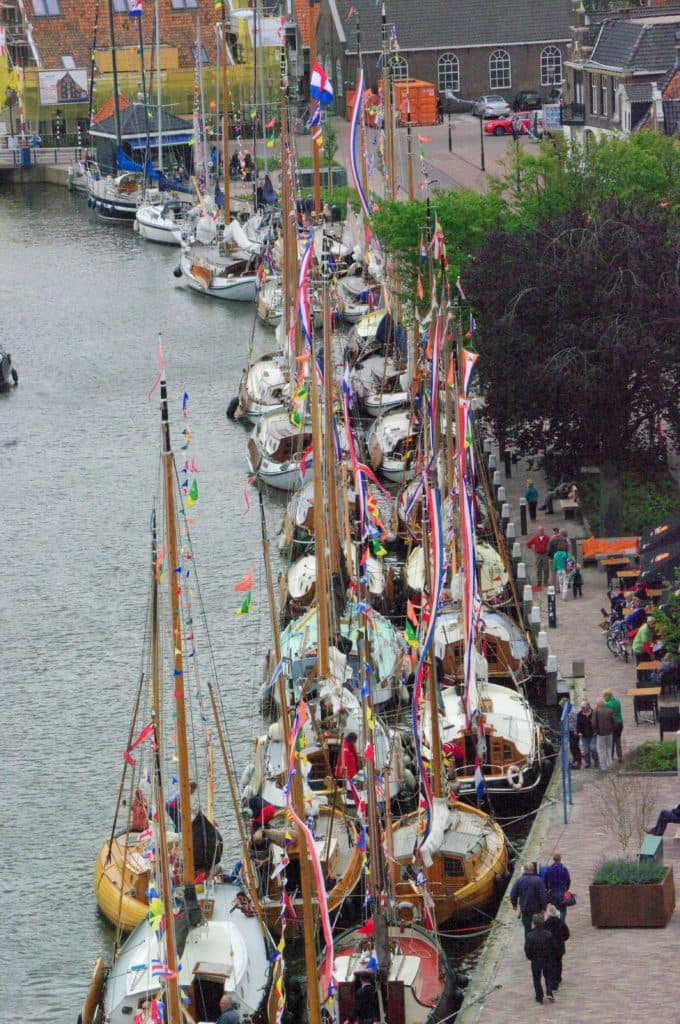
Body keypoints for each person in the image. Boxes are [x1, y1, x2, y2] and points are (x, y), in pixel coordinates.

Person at [524, 913, 556, 1004]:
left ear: (534, 923)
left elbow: (527, 949)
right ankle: (549, 992)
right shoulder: (548, 934)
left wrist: (530, 957)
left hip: (536, 960)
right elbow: (553, 946)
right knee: (548, 976)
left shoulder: (530, 936)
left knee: (536, 978)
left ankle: (539, 996)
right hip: (547, 958)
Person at [510, 862, 548, 937]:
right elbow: (543, 895)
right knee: (539, 927)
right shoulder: (539, 880)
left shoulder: (520, 880)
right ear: (533, 869)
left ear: (524, 870)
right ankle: (539, 943)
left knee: (527, 929)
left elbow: (513, 894)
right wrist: (544, 907)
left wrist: (514, 904)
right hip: (537, 909)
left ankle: (528, 944)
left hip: (525, 908)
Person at [544, 903, 569, 991]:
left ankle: (554, 982)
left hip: (550, 947)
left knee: (551, 964)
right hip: (559, 946)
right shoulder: (561, 923)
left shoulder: (545, 924)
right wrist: (562, 939)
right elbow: (566, 934)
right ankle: (558, 977)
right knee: (559, 962)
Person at [544, 852, 571, 922]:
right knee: (563, 910)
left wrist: (547, 889)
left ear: (553, 859)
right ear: (560, 859)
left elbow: (545, 880)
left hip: (553, 891)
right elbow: (568, 880)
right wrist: (566, 889)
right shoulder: (564, 869)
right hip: (562, 891)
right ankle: (561, 925)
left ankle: (556, 925)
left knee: (555, 909)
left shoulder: (549, 869)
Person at [593, 698, 615, 771]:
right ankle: (610, 764)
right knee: (609, 748)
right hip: (609, 733)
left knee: (601, 750)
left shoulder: (596, 711)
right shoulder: (610, 711)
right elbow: (614, 722)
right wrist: (612, 729)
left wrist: (595, 731)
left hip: (601, 734)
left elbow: (594, 723)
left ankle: (604, 767)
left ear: (597, 705)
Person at [603, 688, 623, 763]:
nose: (604, 698)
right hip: (620, 723)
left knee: (611, 741)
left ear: (608, 696)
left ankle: (610, 756)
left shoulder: (607, 705)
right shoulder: (618, 701)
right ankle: (620, 756)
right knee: (618, 740)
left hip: (612, 724)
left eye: (604, 696)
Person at [560, 697, 581, 769]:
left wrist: (576, 730)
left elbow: (577, 721)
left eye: (562, 706)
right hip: (569, 730)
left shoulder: (573, 711)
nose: (562, 708)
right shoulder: (567, 710)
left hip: (574, 731)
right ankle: (575, 759)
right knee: (572, 746)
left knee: (574, 746)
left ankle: (578, 761)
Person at [576, 700, 597, 768]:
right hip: (584, 735)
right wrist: (579, 731)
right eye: (581, 708)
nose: (582, 710)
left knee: (593, 748)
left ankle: (596, 759)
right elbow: (578, 724)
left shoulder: (594, 713)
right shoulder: (580, 714)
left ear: (588, 708)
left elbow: (597, 723)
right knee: (586, 750)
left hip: (593, 734)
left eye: (583, 708)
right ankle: (587, 762)